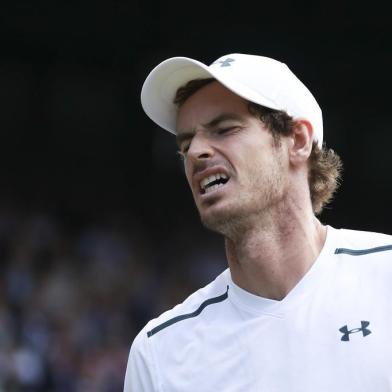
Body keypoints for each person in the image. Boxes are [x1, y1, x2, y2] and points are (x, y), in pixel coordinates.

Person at [124, 53, 392, 391]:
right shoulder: (160, 353)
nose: (195, 152)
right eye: (187, 143)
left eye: (224, 129)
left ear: (297, 140)